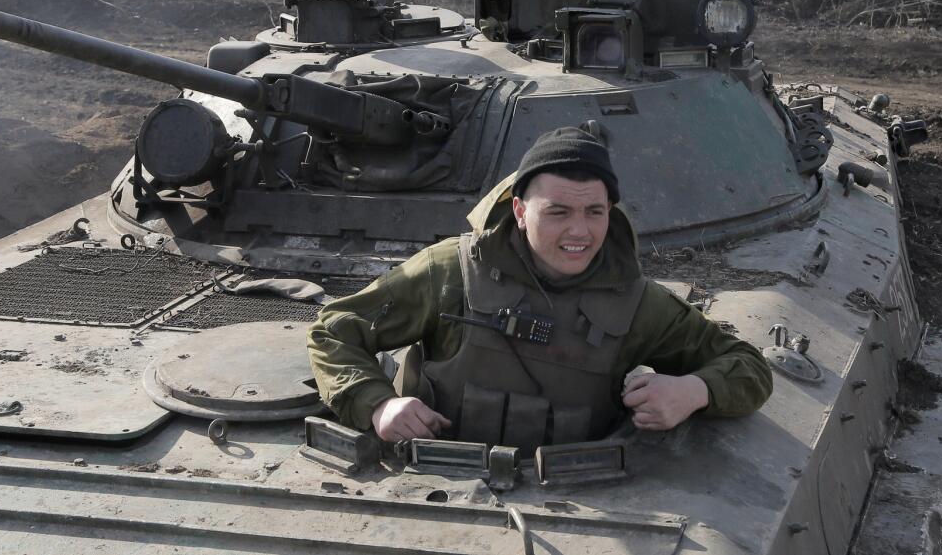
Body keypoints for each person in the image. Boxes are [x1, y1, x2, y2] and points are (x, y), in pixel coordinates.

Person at [307, 127, 772, 452]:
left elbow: (749, 368)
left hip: (579, 502)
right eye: (558, 212)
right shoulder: (451, 271)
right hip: (437, 481)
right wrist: (378, 405)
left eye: (595, 211)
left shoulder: (638, 302)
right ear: (520, 210)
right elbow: (335, 330)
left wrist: (692, 390)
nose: (580, 231)